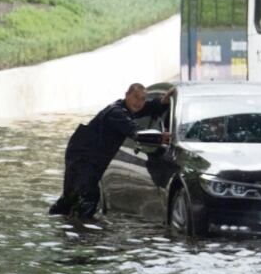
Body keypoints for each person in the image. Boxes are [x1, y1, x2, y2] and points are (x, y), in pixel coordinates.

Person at [49, 83, 174, 219]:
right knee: (88, 197)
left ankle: (60, 224)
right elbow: (136, 132)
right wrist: (160, 138)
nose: (139, 102)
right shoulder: (117, 113)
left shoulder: (127, 108)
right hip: (83, 156)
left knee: (72, 196)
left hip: (85, 154)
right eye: (136, 97)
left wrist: (163, 101)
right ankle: (83, 234)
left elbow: (146, 108)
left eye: (143, 99)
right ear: (127, 95)